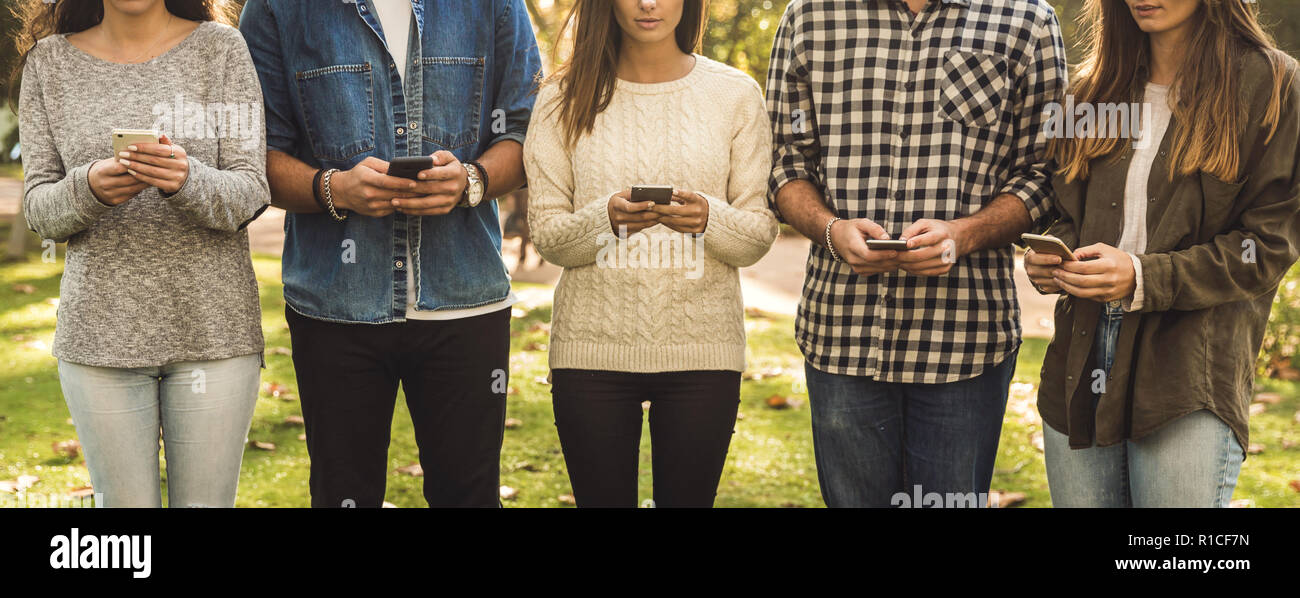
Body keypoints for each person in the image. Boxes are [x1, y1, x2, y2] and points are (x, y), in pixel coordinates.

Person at [239, 0, 541, 507]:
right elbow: (254, 151)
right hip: (335, 306)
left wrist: (472, 181)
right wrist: (332, 187)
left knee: (469, 496)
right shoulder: (276, 8)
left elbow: (527, 129)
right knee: (343, 495)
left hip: (466, 299)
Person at [766, 0, 1067, 507]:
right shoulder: (809, 16)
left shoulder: (1025, 20)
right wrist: (831, 230)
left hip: (965, 339)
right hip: (842, 331)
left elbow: (1045, 172)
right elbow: (786, 165)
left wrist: (963, 234)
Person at [1026, 0, 1300, 507]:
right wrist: (1053, 259)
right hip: (1080, 359)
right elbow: (1064, 208)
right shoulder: (1090, 93)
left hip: (1188, 368)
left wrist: (1142, 276)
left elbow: (1267, 246)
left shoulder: (1272, 85)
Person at [13, 0, 270, 507]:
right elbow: (39, 210)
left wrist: (186, 179)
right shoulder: (49, 62)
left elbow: (250, 191)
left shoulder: (221, 49)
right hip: (100, 341)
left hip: (213, 335)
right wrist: (87, 188)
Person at [526, 0, 778, 507]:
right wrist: (608, 220)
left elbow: (756, 236)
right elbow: (549, 236)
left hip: (703, 353)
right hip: (590, 352)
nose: (648, 3)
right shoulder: (560, 96)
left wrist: (708, 218)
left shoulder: (734, 94)